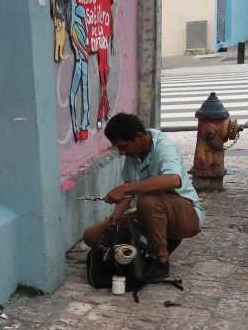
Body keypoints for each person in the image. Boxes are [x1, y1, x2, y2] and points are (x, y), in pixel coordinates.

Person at [81, 113, 204, 279]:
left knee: (147, 201)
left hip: (186, 214)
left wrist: (125, 188)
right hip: (152, 212)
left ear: (139, 137)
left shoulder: (165, 146)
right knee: (92, 235)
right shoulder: (133, 155)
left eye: (124, 147)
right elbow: (129, 194)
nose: (122, 153)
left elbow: (173, 180)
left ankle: (160, 260)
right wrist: (116, 215)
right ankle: (143, 251)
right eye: (119, 149)